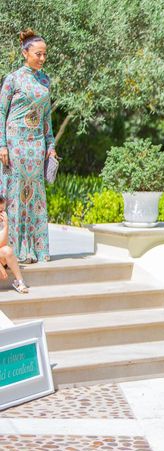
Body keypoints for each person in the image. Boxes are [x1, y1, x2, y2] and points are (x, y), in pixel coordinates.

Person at [0, 29, 56, 263]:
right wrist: (1, 144)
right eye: (38, 54)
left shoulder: (45, 80)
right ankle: (12, 250)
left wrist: (50, 144)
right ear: (25, 53)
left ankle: (35, 249)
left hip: (36, 144)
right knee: (14, 193)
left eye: (44, 55)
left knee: (35, 195)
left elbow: (46, 117)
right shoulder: (12, 79)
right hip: (14, 142)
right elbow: (1, 112)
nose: (42, 59)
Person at [0, 195, 29, 293]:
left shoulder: (2, 223)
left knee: (7, 250)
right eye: (0, 211)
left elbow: (2, 244)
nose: (3, 214)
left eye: (3, 210)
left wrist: (6, 226)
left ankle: (20, 282)